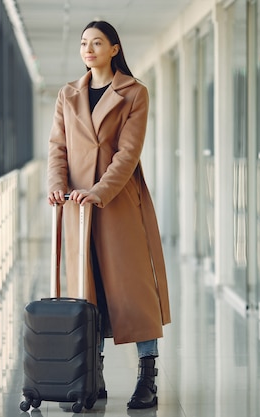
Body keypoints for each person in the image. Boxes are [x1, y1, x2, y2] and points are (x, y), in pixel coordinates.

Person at [46, 20, 171, 409]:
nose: (88, 49)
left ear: (114, 48)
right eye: (84, 43)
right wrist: (56, 183)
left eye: (97, 42)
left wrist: (99, 192)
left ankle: (147, 375)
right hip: (76, 208)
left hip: (117, 204)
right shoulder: (68, 95)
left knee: (134, 291)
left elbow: (127, 155)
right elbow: (58, 148)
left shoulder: (135, 93)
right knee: (88, 289)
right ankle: (92, 375)